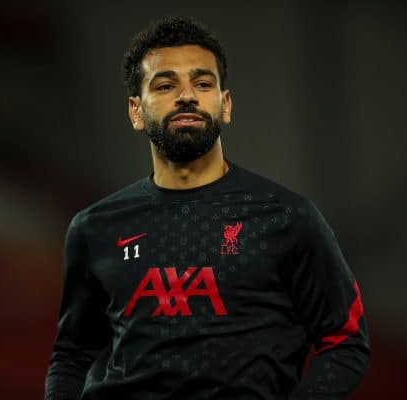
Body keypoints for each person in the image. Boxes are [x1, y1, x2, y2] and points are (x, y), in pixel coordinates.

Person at [44, 16, 370, 400]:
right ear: (136, 111)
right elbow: (72, 354)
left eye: (202, 83)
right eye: (165, 85)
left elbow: (346, 342)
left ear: (225, 104)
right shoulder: (95, 228)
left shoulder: (286, 218)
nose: (187, 96)